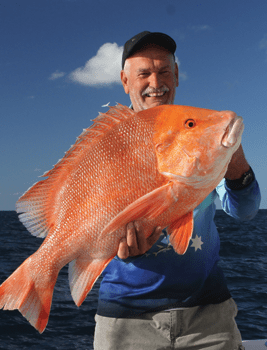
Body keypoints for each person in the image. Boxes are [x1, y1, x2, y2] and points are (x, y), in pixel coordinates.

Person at [93, 31, 261, 350]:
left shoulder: (199, 131)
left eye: (164, 71)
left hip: (208, 313)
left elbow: (246, 211)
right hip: (125, 319)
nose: (156, 81)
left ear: (177, 75)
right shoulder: (105, 146)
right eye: (144, 73)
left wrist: (237, 164)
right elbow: (92, 225)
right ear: (125, 81)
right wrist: (107, 244)